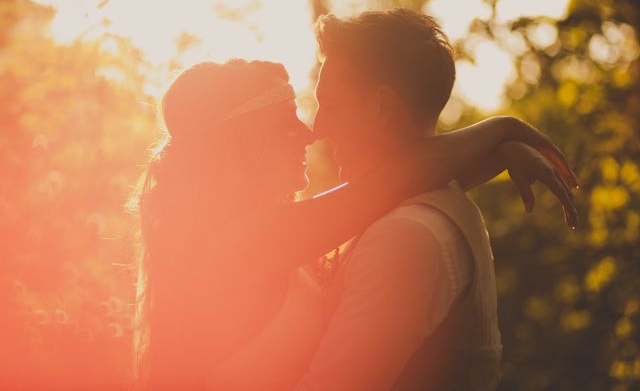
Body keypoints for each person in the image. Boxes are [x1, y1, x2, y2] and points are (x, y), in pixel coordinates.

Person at [133, 55, 576, 389]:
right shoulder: (247, 240)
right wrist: (502, 128)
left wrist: (499, 155)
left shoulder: (265, 230)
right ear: (243, 145)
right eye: (286, 122)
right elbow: (395, 180)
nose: (308, 133)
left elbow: (399, 188)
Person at [294, 9, 576, 391]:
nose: (318, 127)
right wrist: (497, 141)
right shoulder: (428, 203)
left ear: (381, 105)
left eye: (332, 104)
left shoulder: (405, 236)